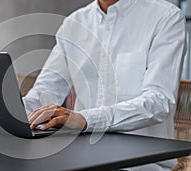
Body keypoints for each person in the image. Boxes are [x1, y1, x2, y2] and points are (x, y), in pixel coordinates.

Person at [23, 0, 186, 170]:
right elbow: (45, 92)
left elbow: (159, 101)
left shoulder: (166, 17)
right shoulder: (74, 23)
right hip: (80, 159)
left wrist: (85, 120)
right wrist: (7, 111)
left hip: (141, 165)